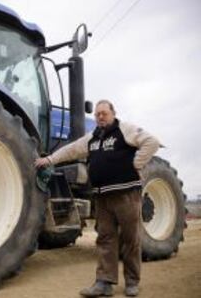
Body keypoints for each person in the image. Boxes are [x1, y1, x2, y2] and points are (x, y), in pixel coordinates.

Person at [35, 100, 160, 297]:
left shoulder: (124, 129)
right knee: (105, 239)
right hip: (102, 197)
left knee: (130, 239)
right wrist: (49, 160)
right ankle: (104, 282)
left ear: (113, 113)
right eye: (97, 114)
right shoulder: (92, 138)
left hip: (126, 194)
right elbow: (70, 150)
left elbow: (152, 141)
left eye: (104, 113)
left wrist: (137, 163)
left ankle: (132, 281)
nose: (100, 117)